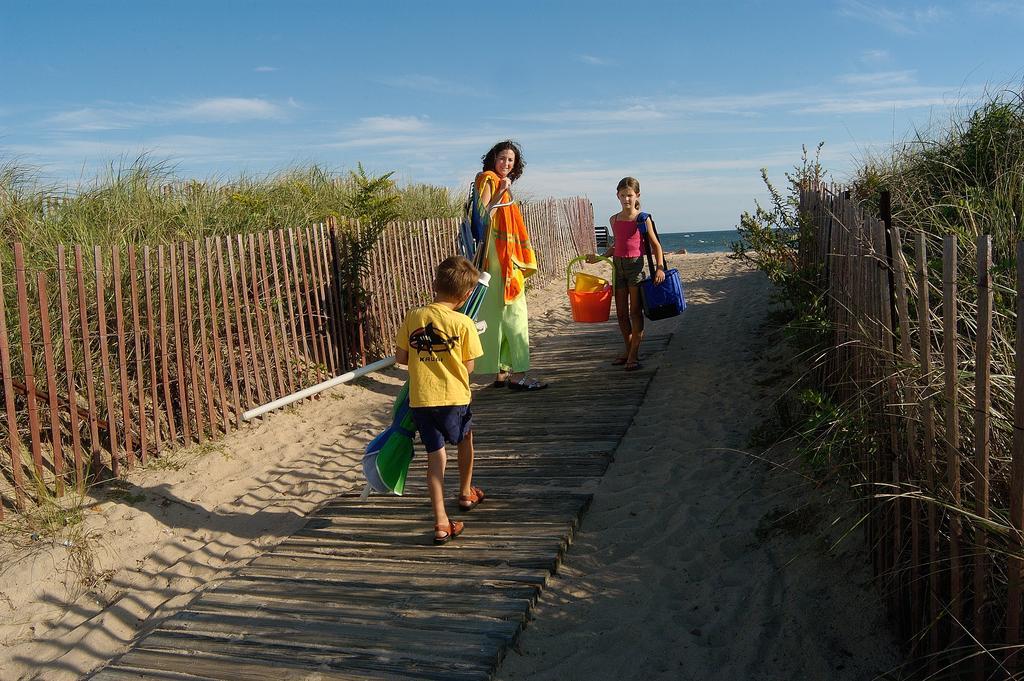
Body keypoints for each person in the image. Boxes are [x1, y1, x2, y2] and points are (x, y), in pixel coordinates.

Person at [395, 255, 486, 544]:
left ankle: (441, 522)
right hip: (455, 397)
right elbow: (469, 366)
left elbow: (401, 358)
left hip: (421, 398)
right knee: (465, 440)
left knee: (435, 458)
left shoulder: (414, 316)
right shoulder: (464, 323)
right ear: (467, 294)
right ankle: (465, 492)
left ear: (434, 284)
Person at [474, 140, 547, 391]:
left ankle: (502, 371)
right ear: (493, 158)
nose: (506, 163)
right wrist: (499, 192)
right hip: (499, 258)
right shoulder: (488, 180)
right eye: (502, 158)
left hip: (498, 258)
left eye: (511, 160)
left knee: (498, 312)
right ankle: (519, 375)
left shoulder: (496, 181)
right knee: (515, 313)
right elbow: (482, 217)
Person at [587, 176, 665, 371]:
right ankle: (629, 349)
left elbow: (656, 246)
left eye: (629, 195)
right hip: (617, 267)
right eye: (623, 195)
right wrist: (600, 257)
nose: (626, 199)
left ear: (637, 195)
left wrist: (660, 268)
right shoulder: (614, 219)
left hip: (636, 267)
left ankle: (633, 354)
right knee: (621, 314)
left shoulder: (643, 218)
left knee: (634, 312)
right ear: (617, 196)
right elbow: (617, 245)